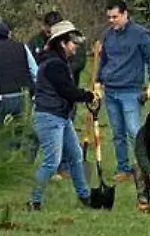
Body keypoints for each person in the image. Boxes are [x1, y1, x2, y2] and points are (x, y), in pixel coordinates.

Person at [29, 21, 102, 211]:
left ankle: (85, 196)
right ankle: (34, 200)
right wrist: (87, 95)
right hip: (49, 117)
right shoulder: (54, 64)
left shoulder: (58, 62)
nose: (75, 46)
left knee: (76, 156)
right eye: (72, 42)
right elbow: (66, 90)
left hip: (61, 117)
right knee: (52, 162)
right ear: (62, 43)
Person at [93, 2, 150, 181]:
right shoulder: (107, 35)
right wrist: (98, 82)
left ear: (125, 14)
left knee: (134, 131)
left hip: (131, 90)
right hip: (111, 90)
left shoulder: (140, 34)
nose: (111, 21)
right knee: (118, 133)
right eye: (109, 17)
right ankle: (124, 169)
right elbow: (104, 60)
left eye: (115, 17)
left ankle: (147, 167)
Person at [0, 22, 37, 124]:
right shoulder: (22, 47)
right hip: (24, 96)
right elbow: (35, 72)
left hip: (2, 99)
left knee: (4, 135)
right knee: (23, 131)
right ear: (9, 34)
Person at [29, 11, 88, 87]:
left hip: (68, 84)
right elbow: (31, 62)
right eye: (48, 28)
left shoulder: (72, 40)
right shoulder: (36, 42)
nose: (51, 31)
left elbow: (79, 61)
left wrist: (63, 70)